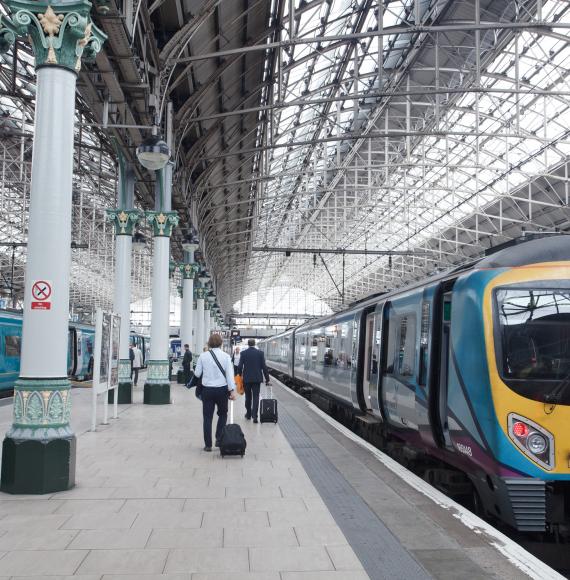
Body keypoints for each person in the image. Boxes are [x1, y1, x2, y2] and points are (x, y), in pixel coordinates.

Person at [193, 333, 236, 451]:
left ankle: (208, 445)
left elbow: (197, 374)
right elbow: (229, 376)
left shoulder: (203, 356)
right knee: (222, 414)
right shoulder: (226, 356)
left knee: (207, 417)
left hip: (207, 390)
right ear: (221, 343)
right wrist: (232, 391)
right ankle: (219, 438)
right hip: (222, 390)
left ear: (209, 343)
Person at [238, 338, 270, 424]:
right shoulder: (260, 353)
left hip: (247, 379)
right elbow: (264, 367)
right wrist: (267, 379)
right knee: (256, 397)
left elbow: (240, 366)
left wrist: (239, 376)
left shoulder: (243, 353)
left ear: (248, 344)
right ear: (254, 344)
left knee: (248, 397)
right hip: (257, 379)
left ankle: (248, 414)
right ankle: (255, 416)